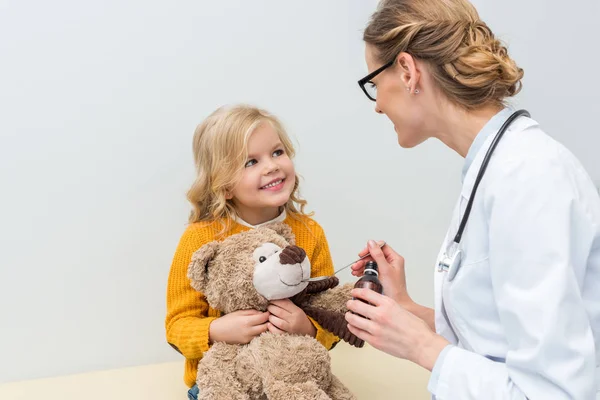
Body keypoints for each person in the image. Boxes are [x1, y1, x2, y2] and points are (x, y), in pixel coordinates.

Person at [345, 0, 600, 398]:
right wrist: (408, 310)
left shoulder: (528, 176)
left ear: (409, 71)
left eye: (374, 84)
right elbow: (495, 345)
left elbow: (555, 393)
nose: (377, 104)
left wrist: (421, 347)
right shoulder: (494, 167)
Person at [164, 104, 339, 399]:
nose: (271, 166)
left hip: (290, 376)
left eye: (277, 152)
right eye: (250, 162)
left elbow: (332, 308)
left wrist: (308, 328)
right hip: (223, 384)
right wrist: (217, 329)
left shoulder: (309, 233)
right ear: (224, 186)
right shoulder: (200, 238)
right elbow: (176, 326)